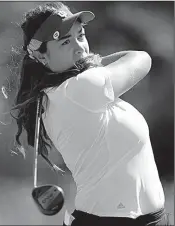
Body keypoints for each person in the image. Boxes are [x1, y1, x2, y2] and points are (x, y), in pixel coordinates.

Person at [11, 2, 169, 226]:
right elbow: (142, 58)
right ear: (41, 56)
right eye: (65, 42)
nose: (80, 48)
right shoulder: (82, 87)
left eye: (81, 35)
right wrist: (97, 62)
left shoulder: (54, 94)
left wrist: (91, 64)